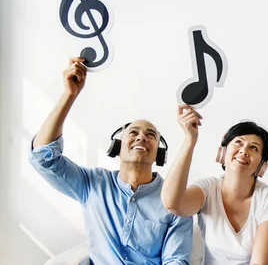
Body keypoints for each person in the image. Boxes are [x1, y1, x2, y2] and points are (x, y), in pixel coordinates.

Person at [29, 57, 193, 264]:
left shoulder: (175, 201)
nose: (142, 137)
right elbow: (43, 157)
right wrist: (70, 95)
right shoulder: (93, 183)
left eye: (151, 135)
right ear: (118, 147)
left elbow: (177, 260)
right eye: (133, 132)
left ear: (159, 154)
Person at [161, 106, 268, 265]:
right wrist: (190, 140)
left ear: (262, 164)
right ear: (223, 152)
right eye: (238, 142)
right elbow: (172, 203)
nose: (243, 151)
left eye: (254, 148)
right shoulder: (208, 188)